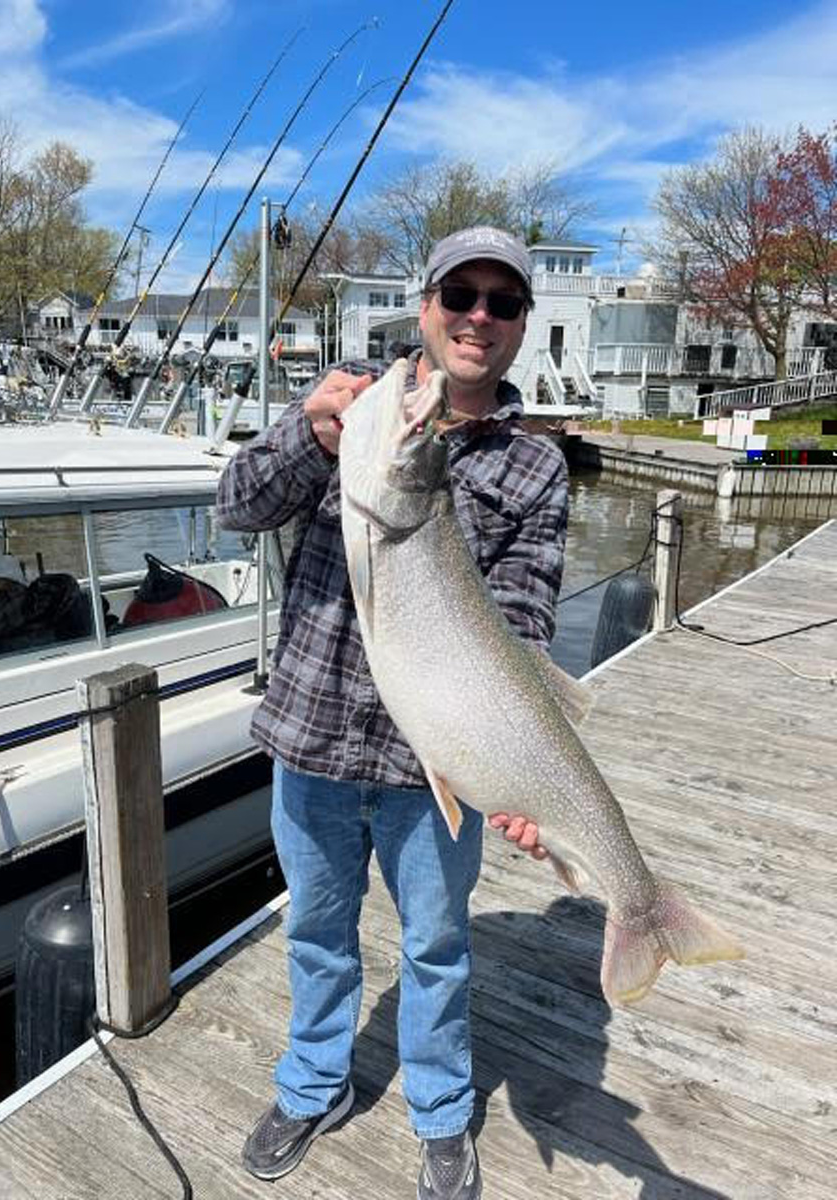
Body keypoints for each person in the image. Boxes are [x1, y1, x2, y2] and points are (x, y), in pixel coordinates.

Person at [217, 226, 568, 1200]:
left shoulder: (535, 468)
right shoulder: (354, 405)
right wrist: (305, 436)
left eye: (504, 304)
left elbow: (527, 634)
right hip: (314, 743)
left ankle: (443, 1115)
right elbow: (238, 504)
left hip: (434, 773)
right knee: (316, 936)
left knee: (437, 947)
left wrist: (523, 777)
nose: (479, 318)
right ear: (425, 303)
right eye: (463, 293)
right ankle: (313, 1084)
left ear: (522, 327)